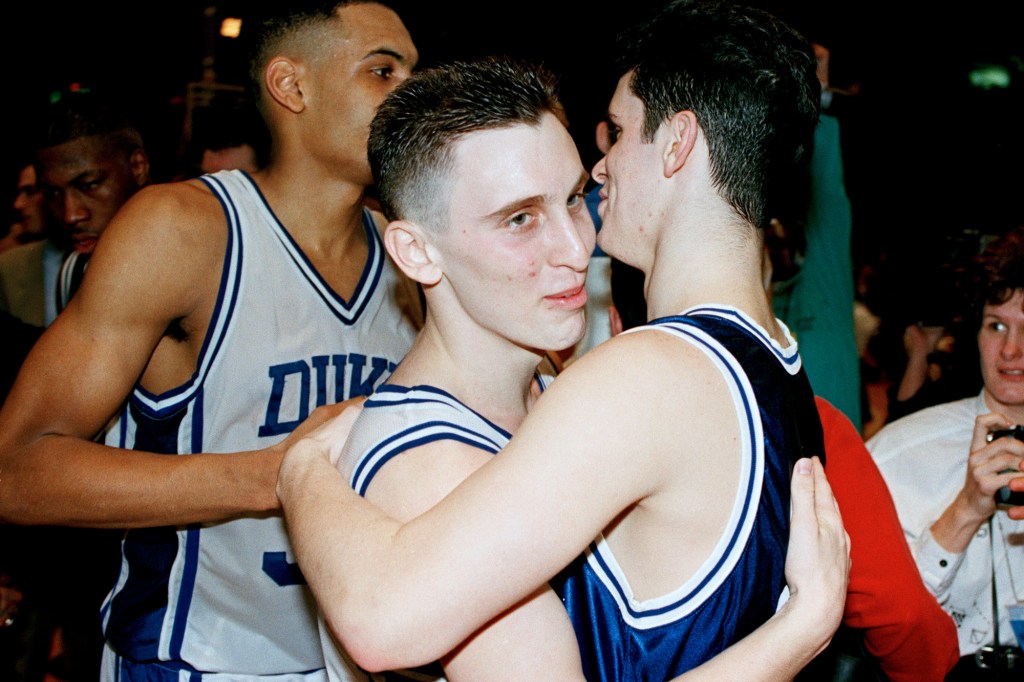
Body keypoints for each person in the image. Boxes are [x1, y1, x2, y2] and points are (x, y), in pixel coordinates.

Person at [278, 1, 850, 679]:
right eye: (521, 217)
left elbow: (383, 618)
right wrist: (795, 631)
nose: (578, 240)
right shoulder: (774, 357)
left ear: (676, 143)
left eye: (616, 135)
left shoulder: (642, 379)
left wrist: (299, 470)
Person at [0, 2, 422, 681]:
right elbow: (16, 471)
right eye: (382, 70)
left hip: (352, 660)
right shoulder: (183, 229)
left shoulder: (410, 254)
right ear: (292, 87)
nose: (411, 94)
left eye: (413, 71)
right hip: (194, 657)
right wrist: (271, 474)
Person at [867, 226, 1024, 680]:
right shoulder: (900, 453)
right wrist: (965, 511)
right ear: (975, 334)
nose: (1011, 350)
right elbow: (885, 625)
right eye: (997, 325)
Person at [32, 92, 152, 313]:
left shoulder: (199, 252)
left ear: (137, 167)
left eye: (89, 185)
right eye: (53, 194)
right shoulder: (76, 269)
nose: (70, 215)